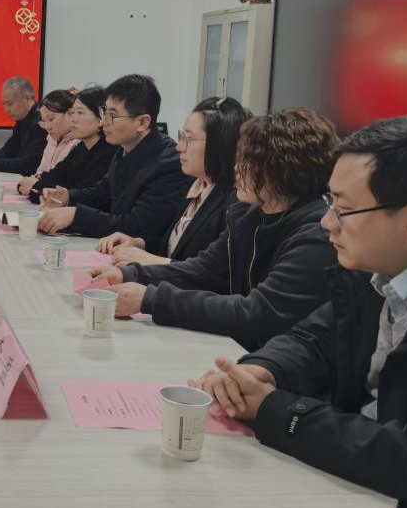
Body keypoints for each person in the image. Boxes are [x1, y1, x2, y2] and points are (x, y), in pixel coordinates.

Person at [192, 117, 407, 508]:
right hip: (355, 482)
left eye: (343, 209)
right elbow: (315, 337)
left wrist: (278, 411)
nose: (326, 222)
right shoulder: (374, 266)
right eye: (328, 201)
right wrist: (262, 369)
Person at [90, 107, 340, 351]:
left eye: (247, 160)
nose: (236, 167)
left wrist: (152, 299)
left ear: (282, 169)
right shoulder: (247, 214)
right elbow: (203, 269)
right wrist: (130, 275)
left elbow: (257, 312)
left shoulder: (316, 233)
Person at [98, 96, 250, 265]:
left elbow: (211, 271)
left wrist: (156, 261)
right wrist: (139, 243)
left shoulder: (235, 202)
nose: (179, 147)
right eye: (181, 136)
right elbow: (177, 249)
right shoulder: (196, 185)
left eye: (189, 139)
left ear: (220, 145)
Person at [38, 74, 190, 242]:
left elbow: (138, 226)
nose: (104, 122)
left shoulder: (168, 164)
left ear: (142, 122)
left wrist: (76, 216)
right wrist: (67, 197)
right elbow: (102, 194)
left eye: (112, 115)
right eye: (104, 113)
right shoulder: (125, 148)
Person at [28, 85, 117, 204]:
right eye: (72, 112)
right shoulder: (82, 147)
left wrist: (36, 186)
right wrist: (38, 184)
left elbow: (79, 194)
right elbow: (56, 175)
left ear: (101, 117)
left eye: (80, 112)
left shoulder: (110, 152)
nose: (73, 119)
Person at [0, 76, 48, 175]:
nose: (6, 110)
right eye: (4, 104)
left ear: (27, 99)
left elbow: (28, 165)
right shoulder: (22, 119)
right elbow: (8, 151)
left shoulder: (41, 123)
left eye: (10, 104)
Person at [17, 88, 78, 195]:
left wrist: (34, 186)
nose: (47, 127)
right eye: (44, 122)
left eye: (51, 119)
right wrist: (32, 181)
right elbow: (41, 172)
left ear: (70, 114)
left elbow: (64, 184)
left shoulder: (77, 143)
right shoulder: (51, 139)